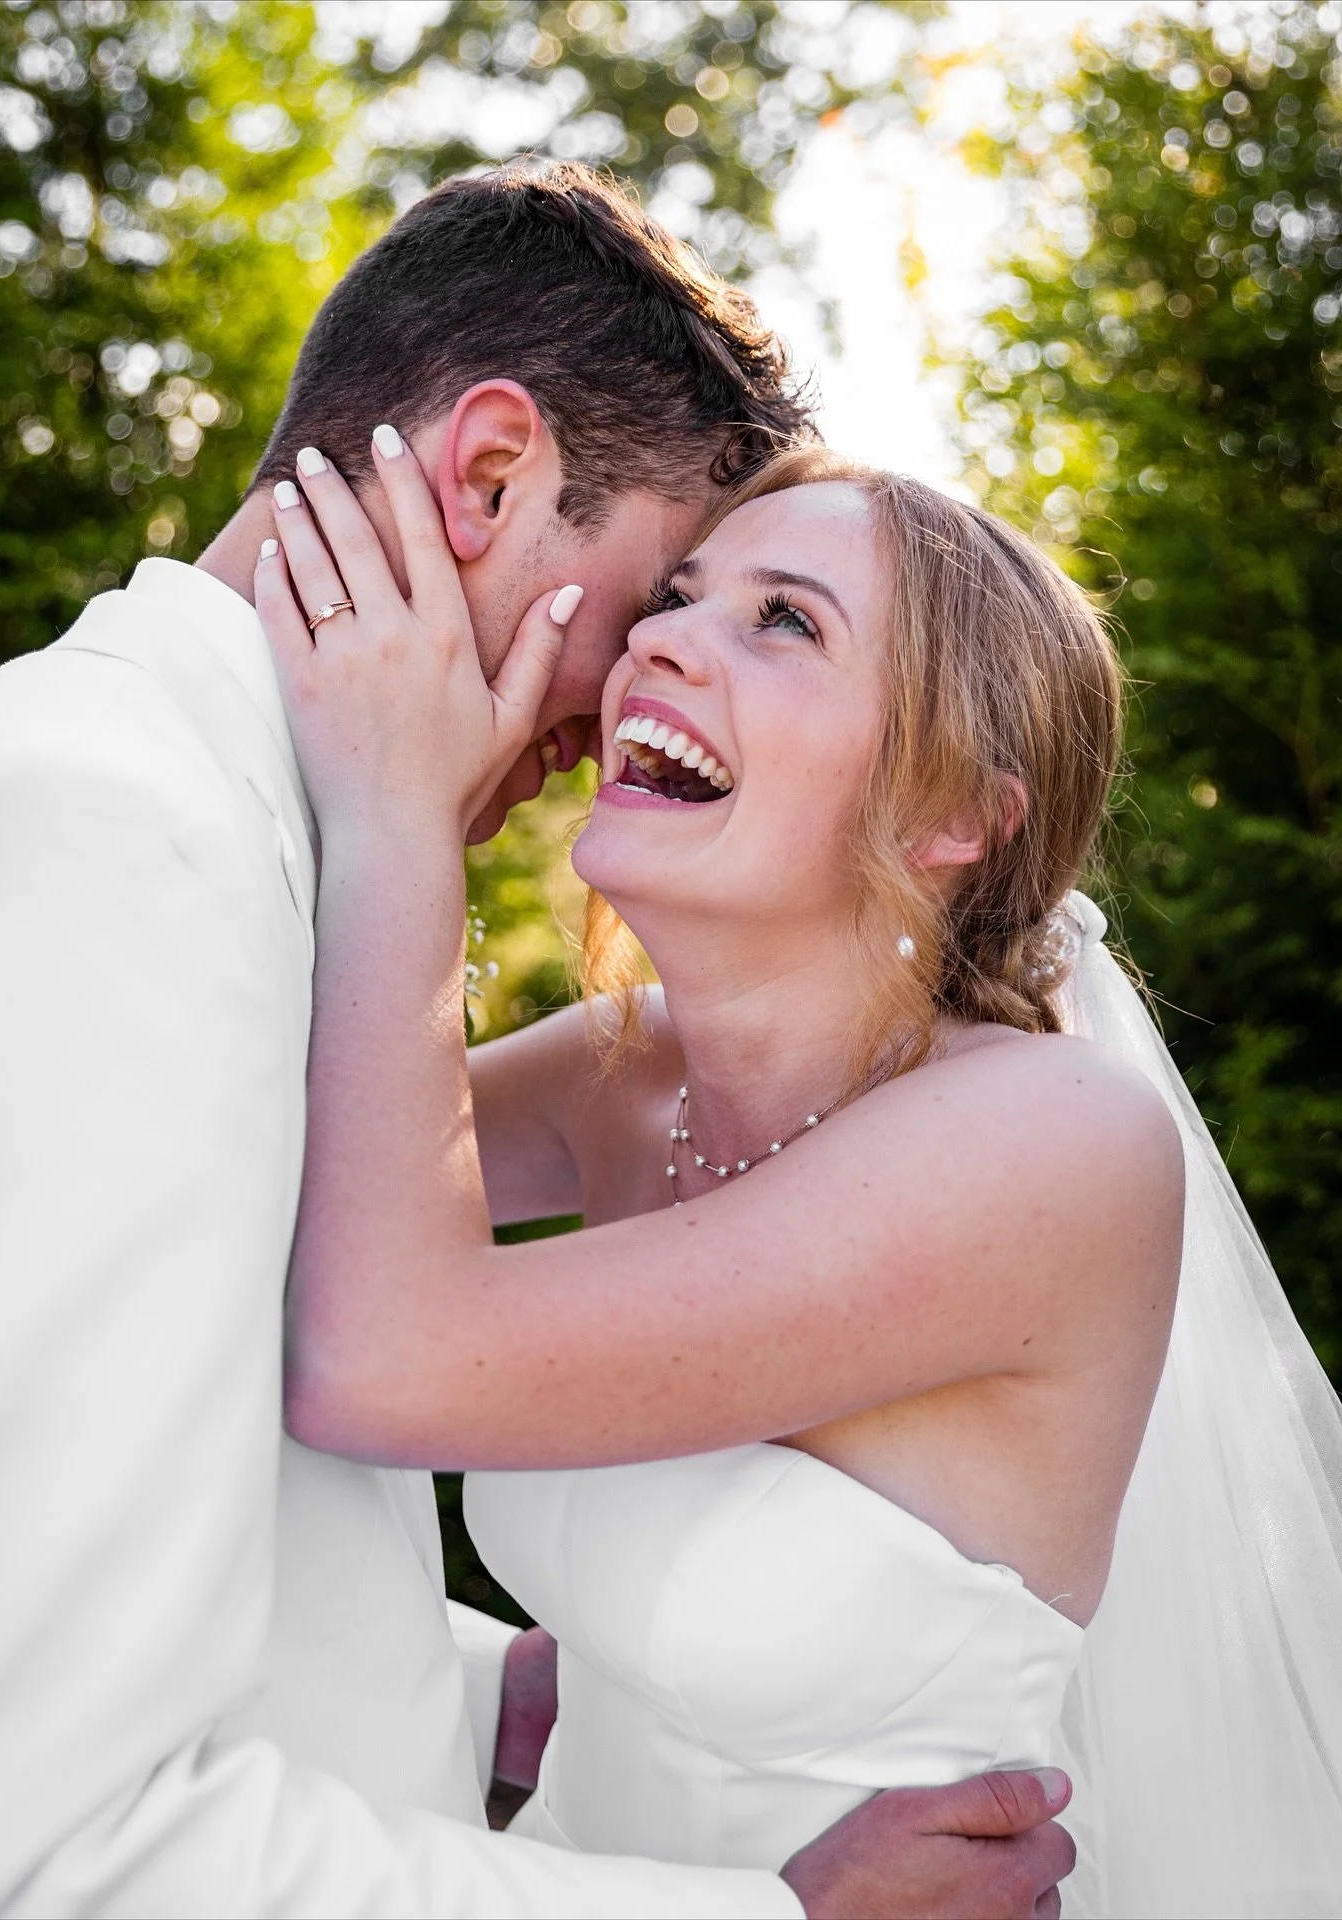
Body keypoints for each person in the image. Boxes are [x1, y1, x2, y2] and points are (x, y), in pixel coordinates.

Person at [0, 163, 1075, 1919]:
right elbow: (36, 1848)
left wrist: (483, 1693)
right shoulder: (96, 841)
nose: (630, 699)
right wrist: (777, 1918)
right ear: (492, 476)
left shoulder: (212, 844)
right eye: (654, 598)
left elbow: (67, 1552)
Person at [256, 433, 1342, 1917]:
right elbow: (260, 1158)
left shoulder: (1051, 1143)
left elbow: (376, 1357)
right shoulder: (624, 1067)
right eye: (678, 596)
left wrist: (400, 812)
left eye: (784, 621)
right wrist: (508, 1682)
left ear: (955, 816)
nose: (657, 642)